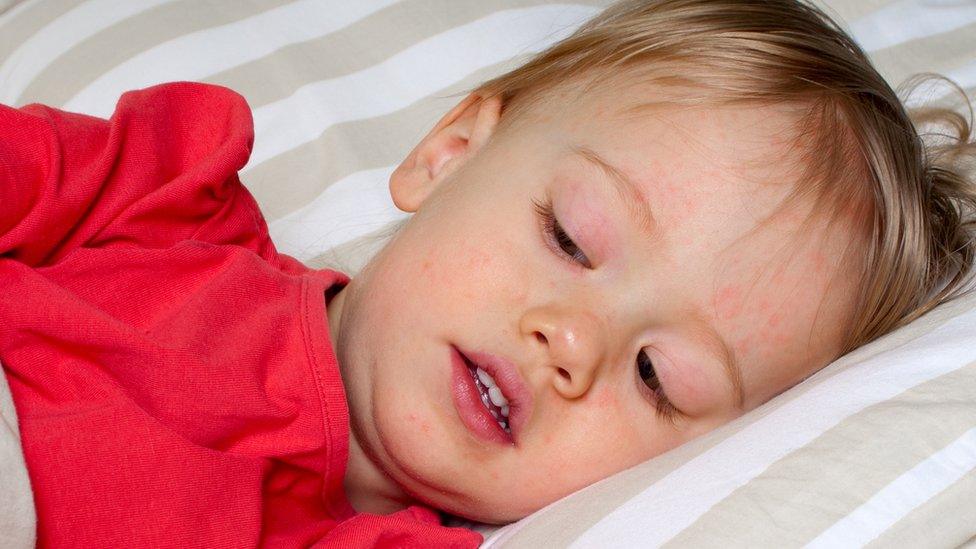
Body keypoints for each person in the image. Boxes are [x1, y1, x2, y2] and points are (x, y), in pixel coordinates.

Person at [2, 0, 974, 546]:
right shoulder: (160, 205)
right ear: (451, 150)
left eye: (656, 377)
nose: (573, 339)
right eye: (570, 237)